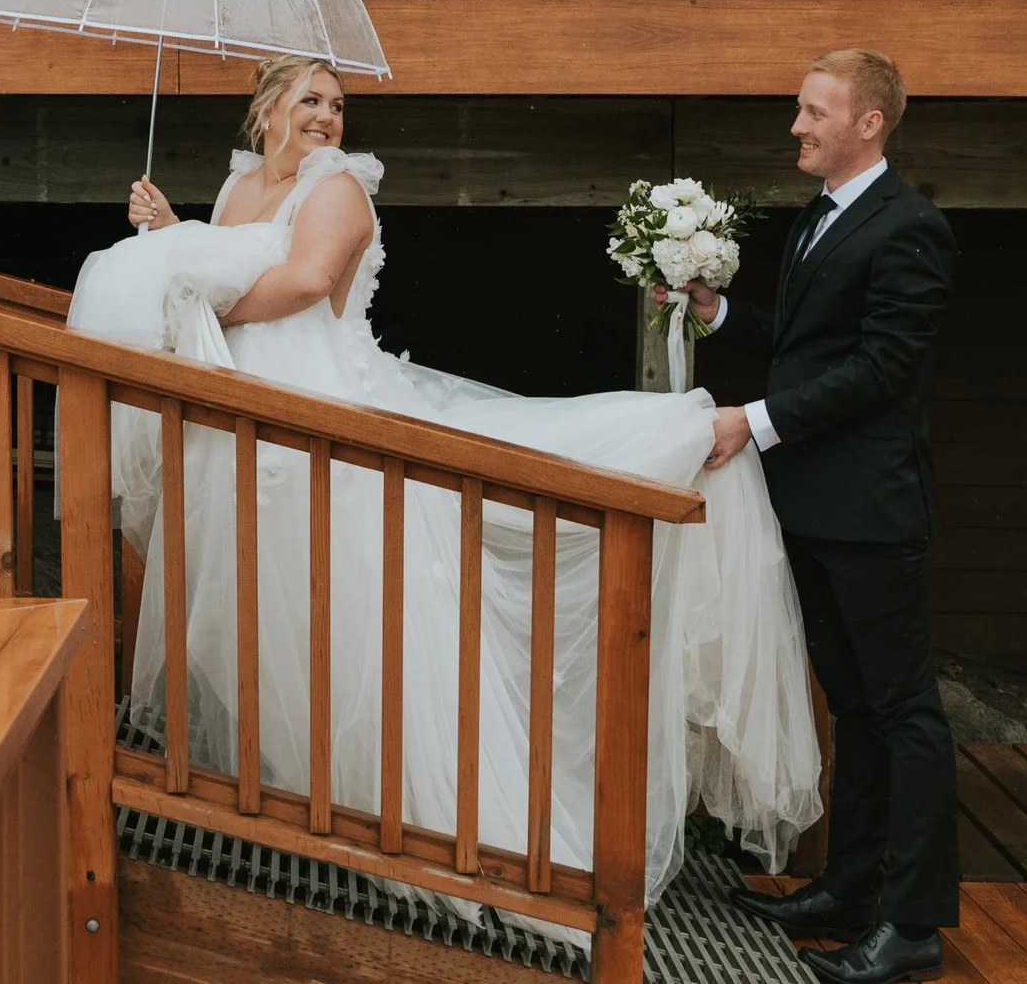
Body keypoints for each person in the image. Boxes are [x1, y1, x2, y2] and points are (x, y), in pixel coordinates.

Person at [66, 54, 823, 947]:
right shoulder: (235, 190)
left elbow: (306, 283)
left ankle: (479, 843)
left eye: (337, 104)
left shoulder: (339, 187)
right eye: (310, 99)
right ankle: (334, 815)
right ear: (264, 108)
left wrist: (185, 300)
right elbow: (230, 261)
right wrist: (170, 236)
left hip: (336, 431)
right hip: (256, 436)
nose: (327, 117)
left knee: (376, 630)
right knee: (293, 631)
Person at [678, 48, 960, 984]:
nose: (796, 126)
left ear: (868, 123)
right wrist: (717, 312)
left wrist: (751, 424)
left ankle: (914, 922)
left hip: (873, 509)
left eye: (812, 111)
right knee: (855, 705)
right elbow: (807, 348)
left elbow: (884, 370)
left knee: (906, 711)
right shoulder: (819, 219)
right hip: (818, 505)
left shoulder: (910, 227)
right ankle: (849, 886)